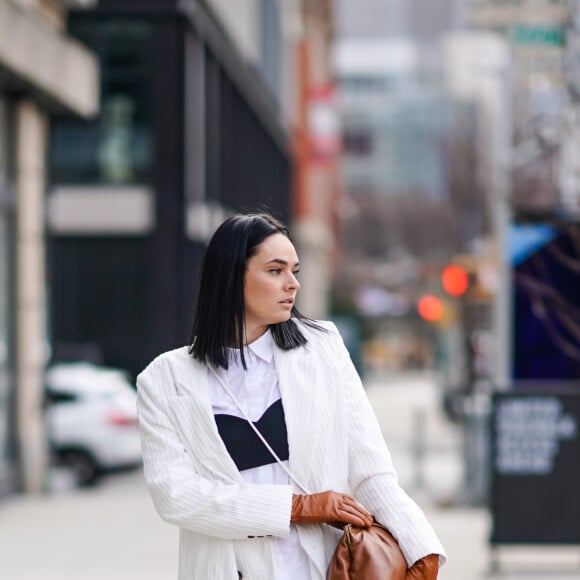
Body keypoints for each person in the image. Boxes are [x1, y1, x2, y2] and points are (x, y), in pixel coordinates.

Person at [136, 213, 447, 580]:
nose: (292, 284)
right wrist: (298, 507)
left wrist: (421, 549)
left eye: (294, 271)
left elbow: (371, 471)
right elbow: (176, 496)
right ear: (232, 277)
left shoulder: (322, 349)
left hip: (322, 568)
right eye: (275, 270)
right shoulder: (164, 380)